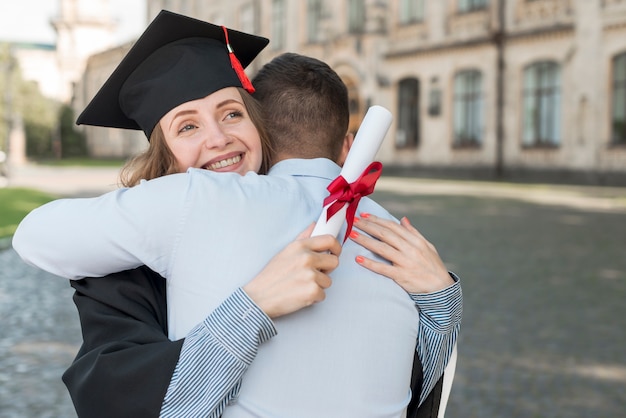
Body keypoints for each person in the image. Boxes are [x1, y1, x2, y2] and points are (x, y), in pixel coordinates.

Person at [13, 11, 461, 418]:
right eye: (187, 126)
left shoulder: (341, 221)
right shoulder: (126, 265)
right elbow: (130, 398)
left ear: (260, 123)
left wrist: (441, 298)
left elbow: (410, 388)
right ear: (162, 153)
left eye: (231, 113)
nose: (219, 139)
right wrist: (254, 305)